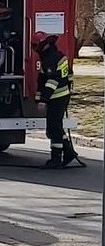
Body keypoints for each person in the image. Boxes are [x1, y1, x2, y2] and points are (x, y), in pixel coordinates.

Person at [32, 31, 79, 169]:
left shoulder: (50, 60)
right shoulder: (57, 56)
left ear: (41, 45)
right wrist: (38, 98)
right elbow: (43, 80)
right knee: (55, 127)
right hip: (62, 96)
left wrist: (43, 100)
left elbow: (51, 82)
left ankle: (56, 159)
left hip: (57, 98)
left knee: (53, 129)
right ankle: (69, 152)